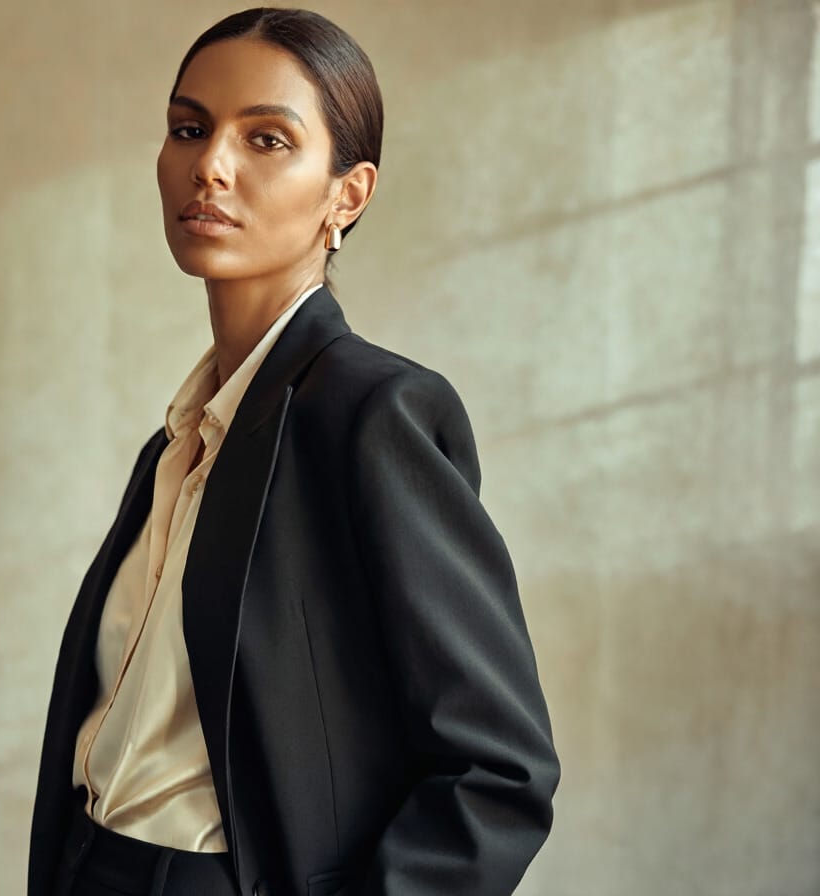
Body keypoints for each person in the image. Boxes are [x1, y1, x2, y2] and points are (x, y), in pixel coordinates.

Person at [28, 8, 560, 896]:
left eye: (266, 138)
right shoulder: (176, 444)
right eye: (189, 129)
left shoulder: (372, 415)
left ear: (347, 194)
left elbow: (499, 772)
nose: (210, 165)